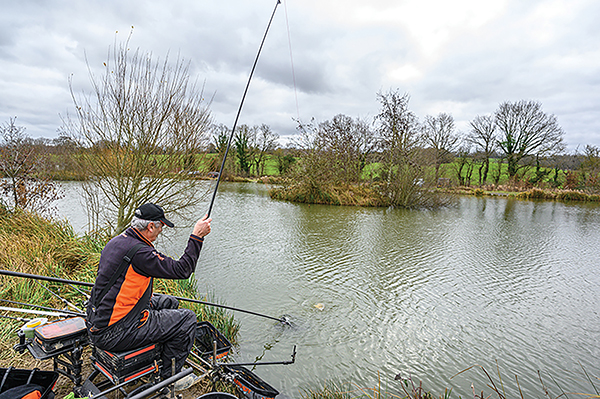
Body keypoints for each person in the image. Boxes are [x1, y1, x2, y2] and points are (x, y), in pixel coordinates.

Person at [86, 203, 211, 386]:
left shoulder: (117, 241)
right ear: (151, 226)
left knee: (169, 301)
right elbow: (182, 270)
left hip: (97, 320)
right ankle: (170, 378)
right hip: (115, 331)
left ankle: (159, 357)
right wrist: (197, 236)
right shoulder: (141, 252)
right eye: (161, 226)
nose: (161, 231)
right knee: (188, 319)